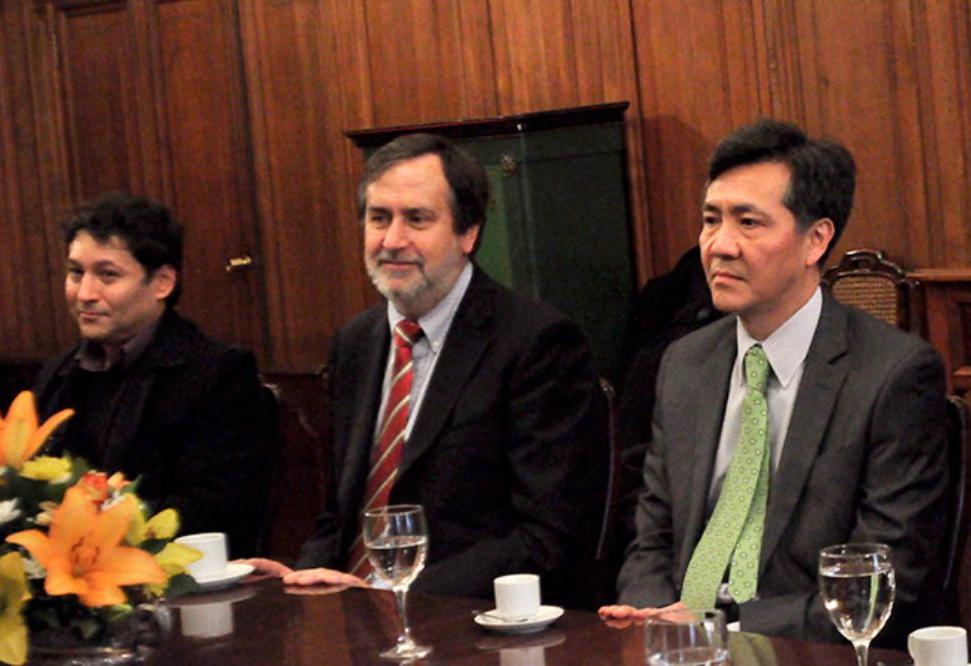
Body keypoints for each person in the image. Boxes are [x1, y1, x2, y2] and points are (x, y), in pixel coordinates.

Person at [602, 119, 948, 646]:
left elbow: (884, 584)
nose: (720, 245)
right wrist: (658, 622)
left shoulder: (892, 375)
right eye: (710, 220)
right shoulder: (684, 364)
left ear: (815, 240)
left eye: (748, 223)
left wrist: (720, 631)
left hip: (804, 649)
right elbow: (652, 537)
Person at [247, 133, 608, 607]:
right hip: (356, 620)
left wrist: (389, 593)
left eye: (416, 219)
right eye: (379, 219)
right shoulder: (355, 343)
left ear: (468, 233)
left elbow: (548, 539)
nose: (392, 241)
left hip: (471, 624)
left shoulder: (536, 343)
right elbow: (341, 517)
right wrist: (304, 577)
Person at [34, 192, 277, 557]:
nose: (85, 293)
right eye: (75, 273)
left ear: (162, 282)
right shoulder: (59, 374)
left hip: (175, 579)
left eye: (107, 275)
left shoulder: (218, 374)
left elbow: (216, 509)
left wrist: (103, 525)